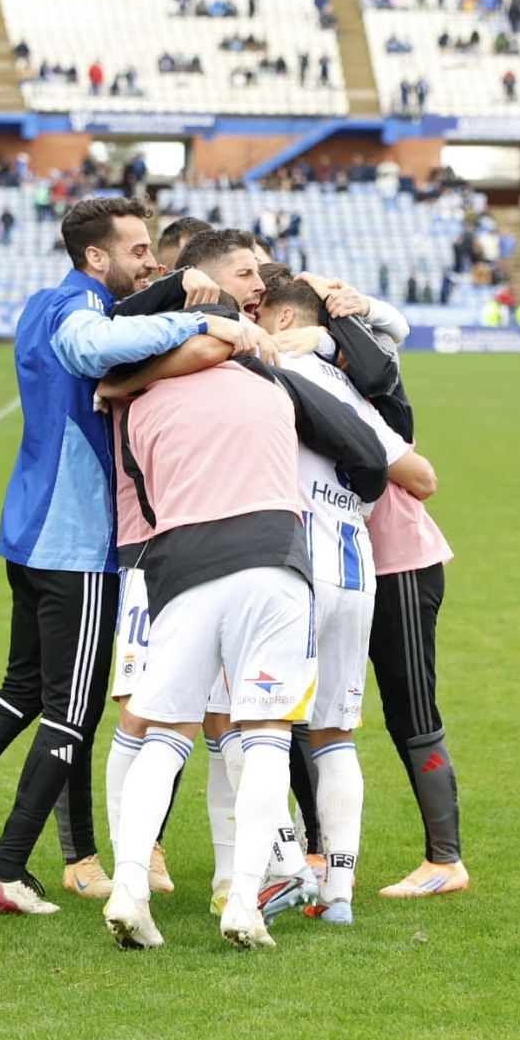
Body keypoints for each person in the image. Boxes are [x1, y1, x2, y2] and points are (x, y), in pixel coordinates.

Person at [0, 197, 259, 913]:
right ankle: (7, 867)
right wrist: (201, 319)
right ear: (97, 257)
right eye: (139, 250)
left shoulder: (41, 302)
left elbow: (106, 328)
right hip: (78, 540)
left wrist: (166, 293)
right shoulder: (77, 312)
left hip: (28, 531)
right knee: (74, 707)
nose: (153, 260)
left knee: (21, 689)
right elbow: (91, 346)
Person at [97, 303, 388, 950]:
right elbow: (367, 451)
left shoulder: (135, 400)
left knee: (163, 733)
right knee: (265, 735)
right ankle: (245, 898)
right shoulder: (267, 379)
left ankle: (128, 886)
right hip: (271, 558)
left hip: (179, 565)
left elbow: (145, 501)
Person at [254, 266, 439, 925]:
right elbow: (420, 474)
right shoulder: (348, 385)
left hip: (293, 568)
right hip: (356, 570)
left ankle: (282, 870)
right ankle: (338, 896)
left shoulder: (267, 361)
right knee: (334, 737)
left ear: (279, 318)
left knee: (259, 726)